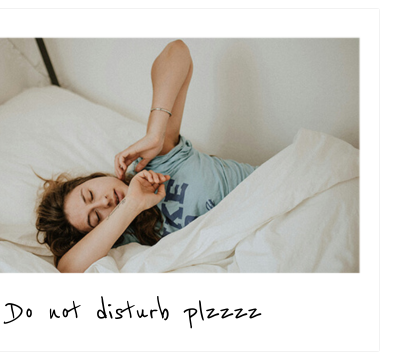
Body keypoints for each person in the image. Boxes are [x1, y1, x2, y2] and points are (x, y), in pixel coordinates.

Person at [35, 40, 257, 273]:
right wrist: (130, 205)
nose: (104, 202)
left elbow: (178, 51)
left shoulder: (154, 161)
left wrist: (155, 134)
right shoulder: (127, 239)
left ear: (90, 179)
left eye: (90, 194)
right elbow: (68, 271)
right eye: (96, 218)